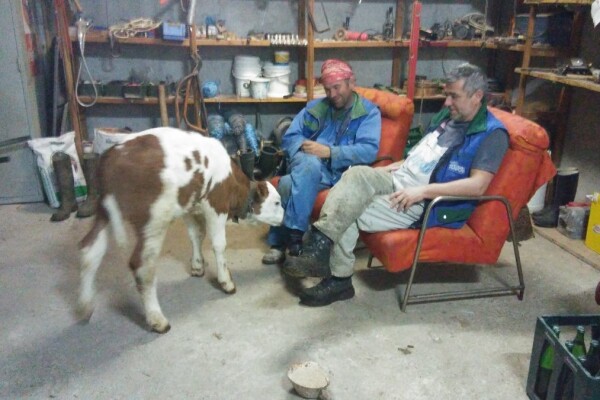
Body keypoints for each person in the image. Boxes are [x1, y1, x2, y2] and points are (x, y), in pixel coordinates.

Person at [282, 63, 510, 307]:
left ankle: (338, 279)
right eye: (447, 95)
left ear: (477, 96)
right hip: (400, 177)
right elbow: (422, 157)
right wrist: (389, 168)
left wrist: (422, 191)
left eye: (454, 96)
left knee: (349, 207)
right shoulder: (449, 117)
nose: (446, 102)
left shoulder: (492, 134)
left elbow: (477, 186)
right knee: (356, 174)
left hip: (426, 201)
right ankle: (319, 247)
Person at [262, 59, 382, 264]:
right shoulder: (315, 108)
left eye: (337, 87)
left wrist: (330, 152)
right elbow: (290, 137)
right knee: (310, 164)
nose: (332, 94)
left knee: (287, 184)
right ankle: (296, 239)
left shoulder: (368, 113)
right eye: (327, 89)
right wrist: (305, 147)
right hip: (307, 163)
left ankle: (280, 242)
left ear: (351, 82)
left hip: (341, 173)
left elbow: (369, 151)